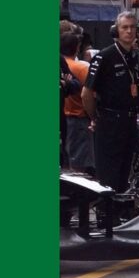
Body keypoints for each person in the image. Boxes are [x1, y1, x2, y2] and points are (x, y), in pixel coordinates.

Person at [81, 11, 139, 193]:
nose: (129, 31)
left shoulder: (133, 56)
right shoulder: (104, 57)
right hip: (109, 121)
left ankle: (121, 215)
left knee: (125, 173)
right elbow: (86, 93)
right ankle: (106, 216)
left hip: (129, 121)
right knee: (109, 176)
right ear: (117, 30)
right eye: (125, 27)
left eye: (132, 27)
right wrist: (94, 118)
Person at [61, 31, 94, 173]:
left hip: (64, 118)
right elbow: (91, 93)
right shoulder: (83, 68)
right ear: (77, 47)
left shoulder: (64, 65)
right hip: (80, 119)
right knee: (80, 166)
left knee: (68, 161)